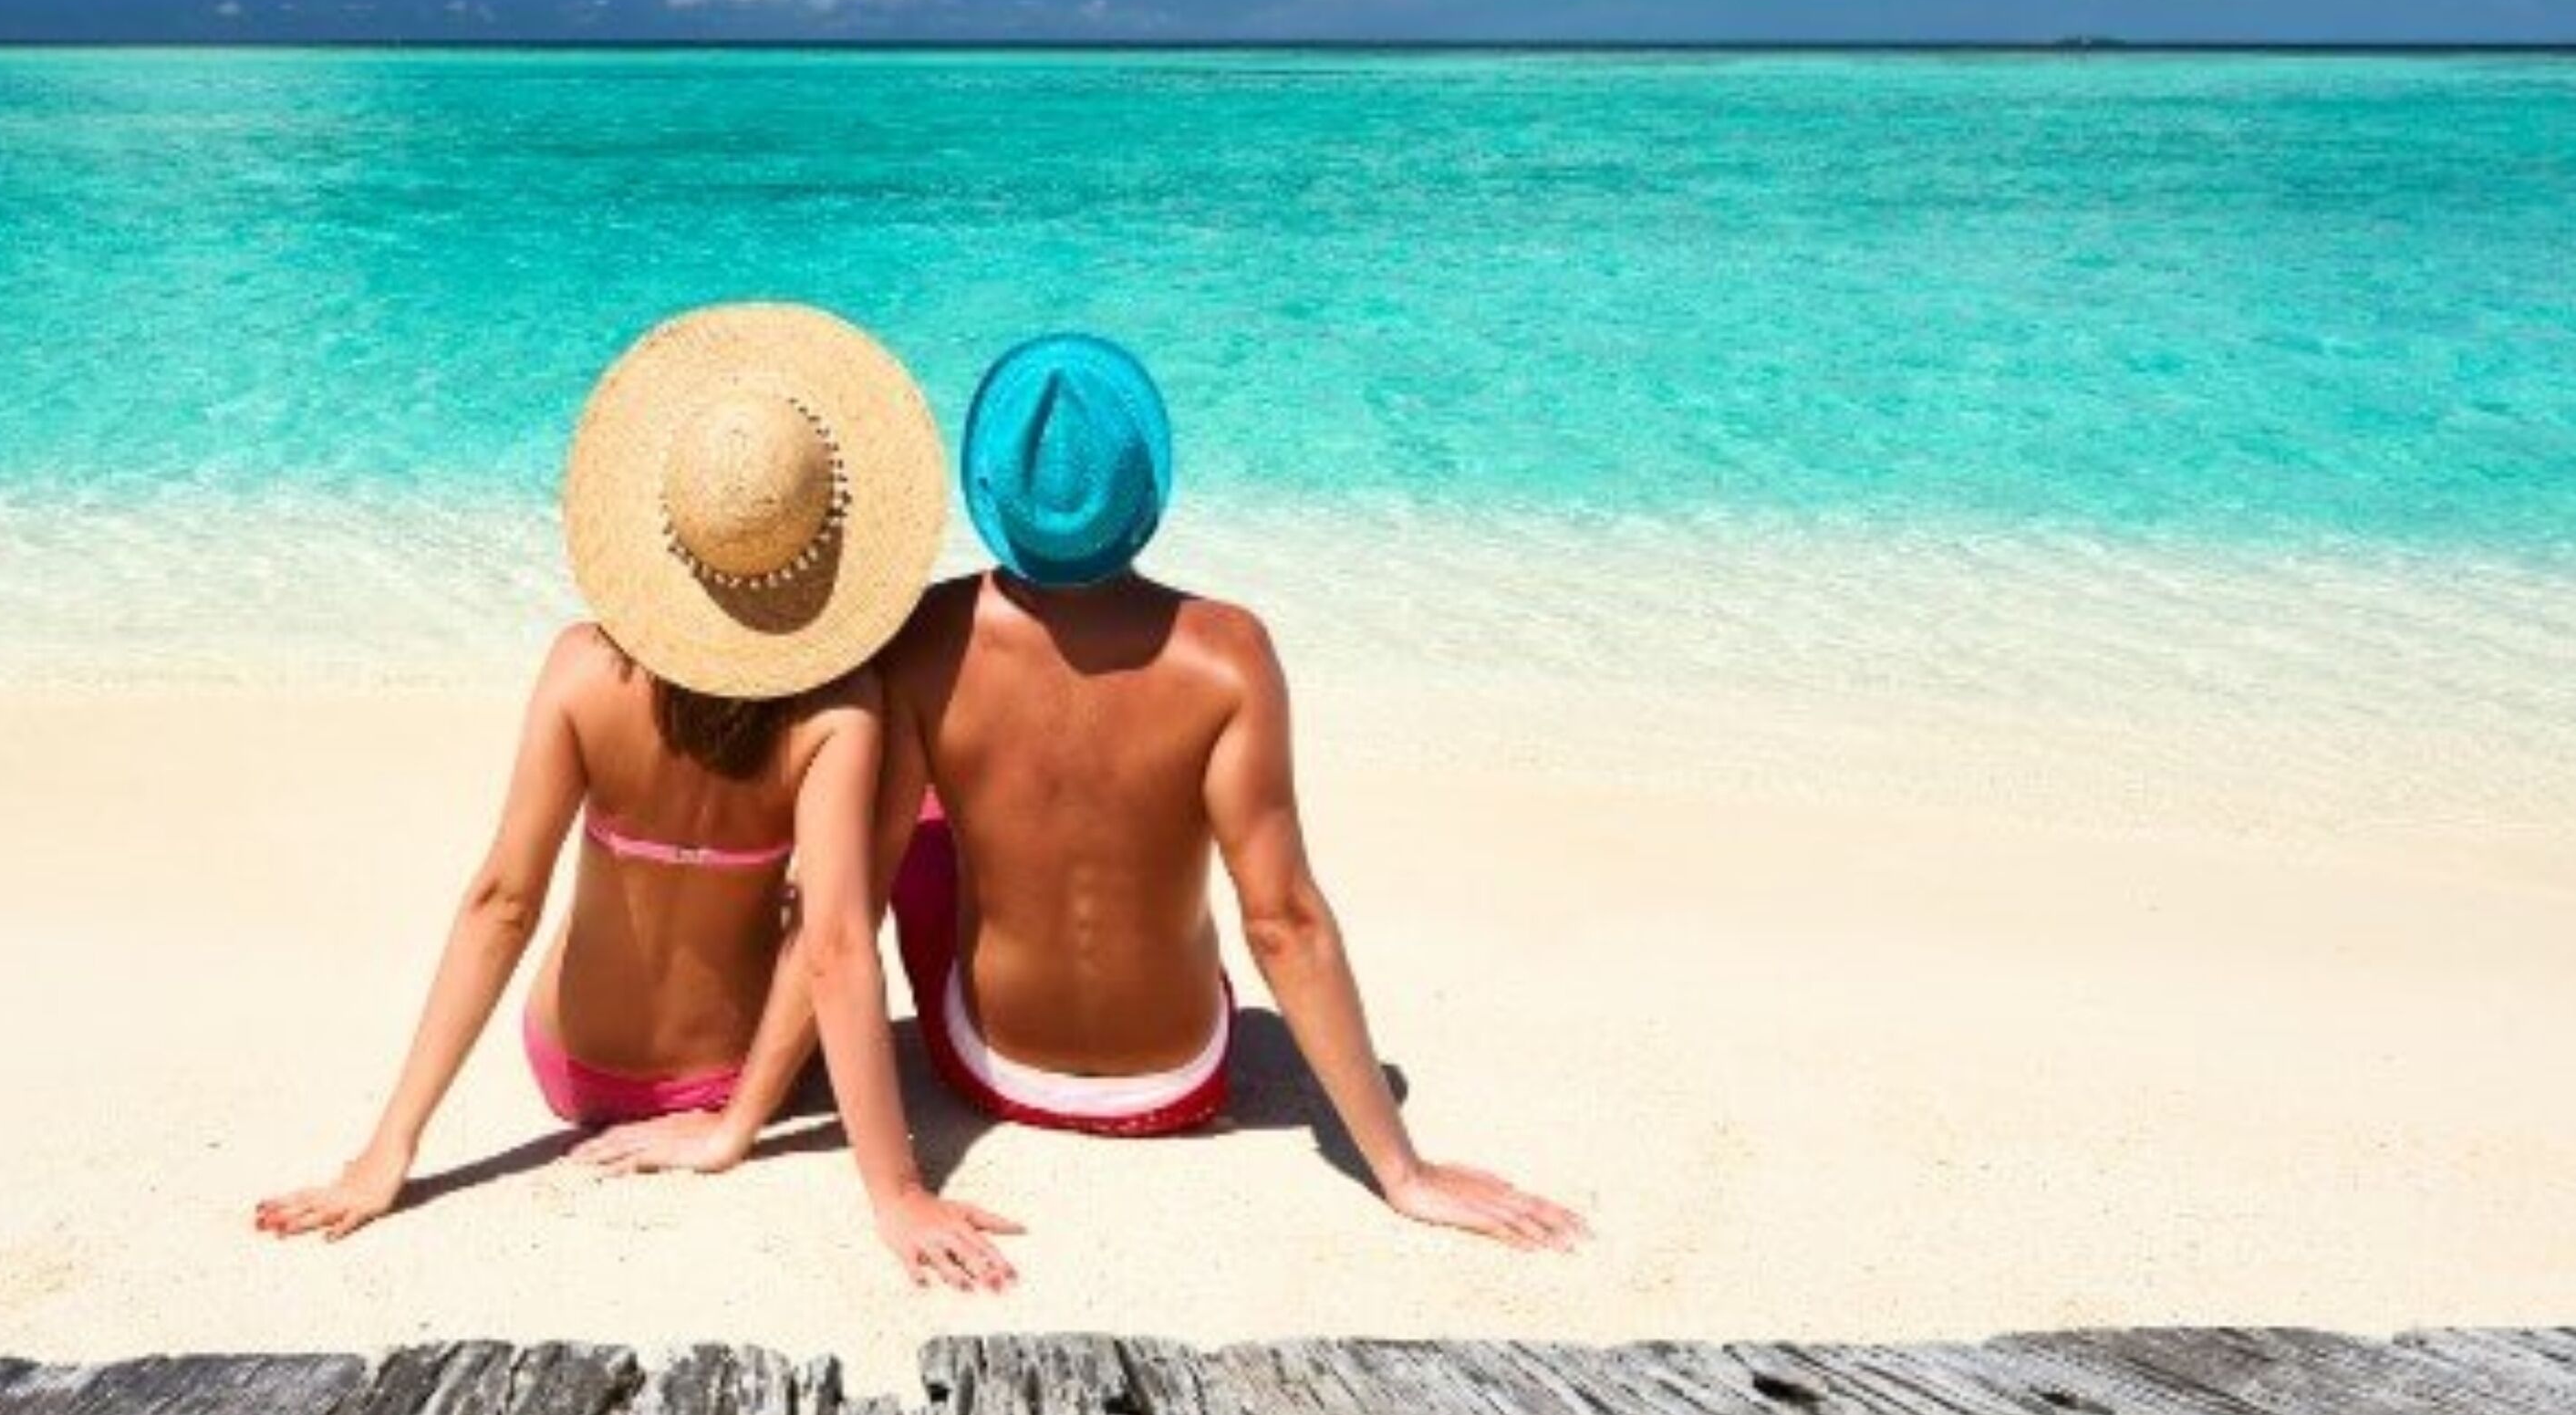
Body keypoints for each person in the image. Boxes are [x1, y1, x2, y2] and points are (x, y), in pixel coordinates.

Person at [255, 303, 1021, 1289]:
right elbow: (834, 944)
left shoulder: (580, 672)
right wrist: (893, 1191)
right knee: (912, 826)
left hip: (569, 1069)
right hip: (731, 1077)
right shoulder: (836, 716)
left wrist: (386, 1152)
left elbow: (503, 902)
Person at [875, 332, 1586, 1250]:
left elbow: (844, 905)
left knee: (919, 826)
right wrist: (1403, 1172)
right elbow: (1283, 921)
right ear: (1144, 497)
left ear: (989, 494)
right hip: (1176, 1085)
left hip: (994, 1070)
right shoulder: (1227, 654)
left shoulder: (928, 636)